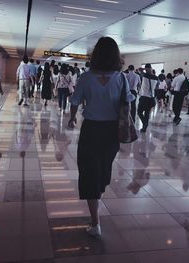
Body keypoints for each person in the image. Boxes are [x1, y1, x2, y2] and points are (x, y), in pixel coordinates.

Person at [68, 37, 134, 237]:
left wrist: (72, 118)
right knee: (103, 168)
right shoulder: (121, 78)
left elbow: (75, 100)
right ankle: (97, 200)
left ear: (95, 54)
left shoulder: (86, 78)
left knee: (89, 171)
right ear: (116, 56)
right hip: (112, 132)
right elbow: (128, 103)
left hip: (91, 130)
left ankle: (95, 221)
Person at [137, 64, 158, 132]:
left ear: (146, 68)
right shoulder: (156, 77)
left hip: (144, 97)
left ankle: (145, 124)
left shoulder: (145, 75)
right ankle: (144, 127)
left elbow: (139, 69)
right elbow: (157, 87)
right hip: (151, 98)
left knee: (139, 112)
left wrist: (144, 69)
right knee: (147, 113)